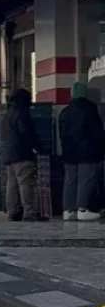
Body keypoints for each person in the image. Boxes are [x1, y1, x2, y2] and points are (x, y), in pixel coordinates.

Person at [58, 82, 104, 221]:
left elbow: (61, 134)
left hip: (69, 153)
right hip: (88, 152)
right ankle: (82, 210)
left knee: (70, 181)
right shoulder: (90, 109)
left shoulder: (65, 112)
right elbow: (98, 133)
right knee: (85, 181)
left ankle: (68, 210)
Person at [2, 88, 45, 222]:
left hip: (9, 155)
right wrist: (37, 146)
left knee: (12, 184)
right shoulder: (21, 113)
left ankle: (13, 211)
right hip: (22, 153)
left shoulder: (8, 113)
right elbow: (26, 132)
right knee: (25, 182)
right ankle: (29, 212)